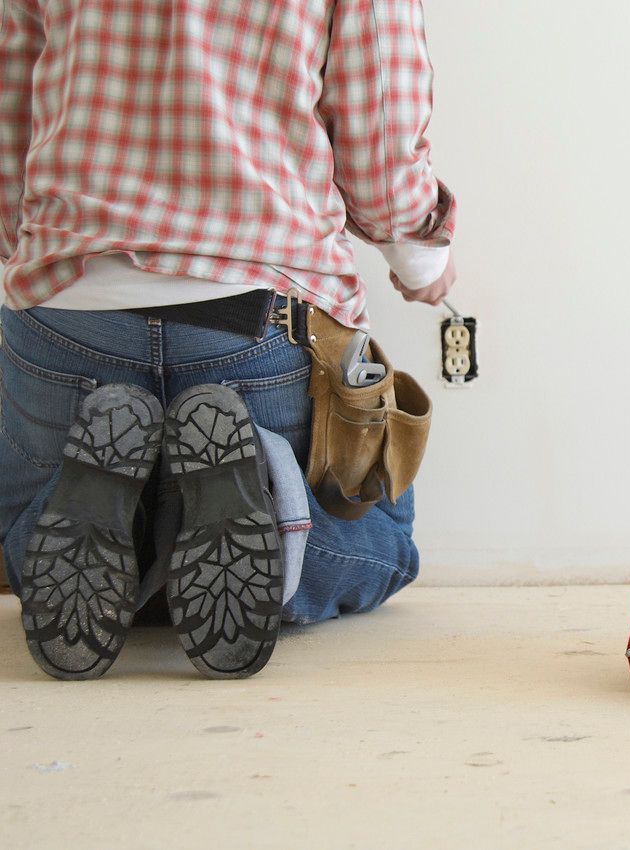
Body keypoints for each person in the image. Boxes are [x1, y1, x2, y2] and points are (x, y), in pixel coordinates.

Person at [0, 0, 457, 680]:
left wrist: (39, 252)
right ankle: (265, 494)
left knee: (27, 542)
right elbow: (381, 144)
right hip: (256, 315)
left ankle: (126, 518)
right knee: (385, 543)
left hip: (65, 308)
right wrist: (422, 258)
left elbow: (11, 99)